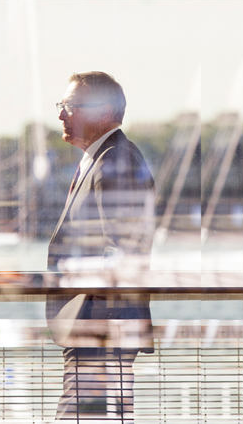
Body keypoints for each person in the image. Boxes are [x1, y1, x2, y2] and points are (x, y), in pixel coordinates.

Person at [46, 71, 155, 422]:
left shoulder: (115, 161)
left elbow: (124, 252)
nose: (62, 113)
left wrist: (100, 330)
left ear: (104, 112)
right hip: (96, 329)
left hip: (102, 331)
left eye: (71, 106)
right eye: (62, 105)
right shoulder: (102, 158)